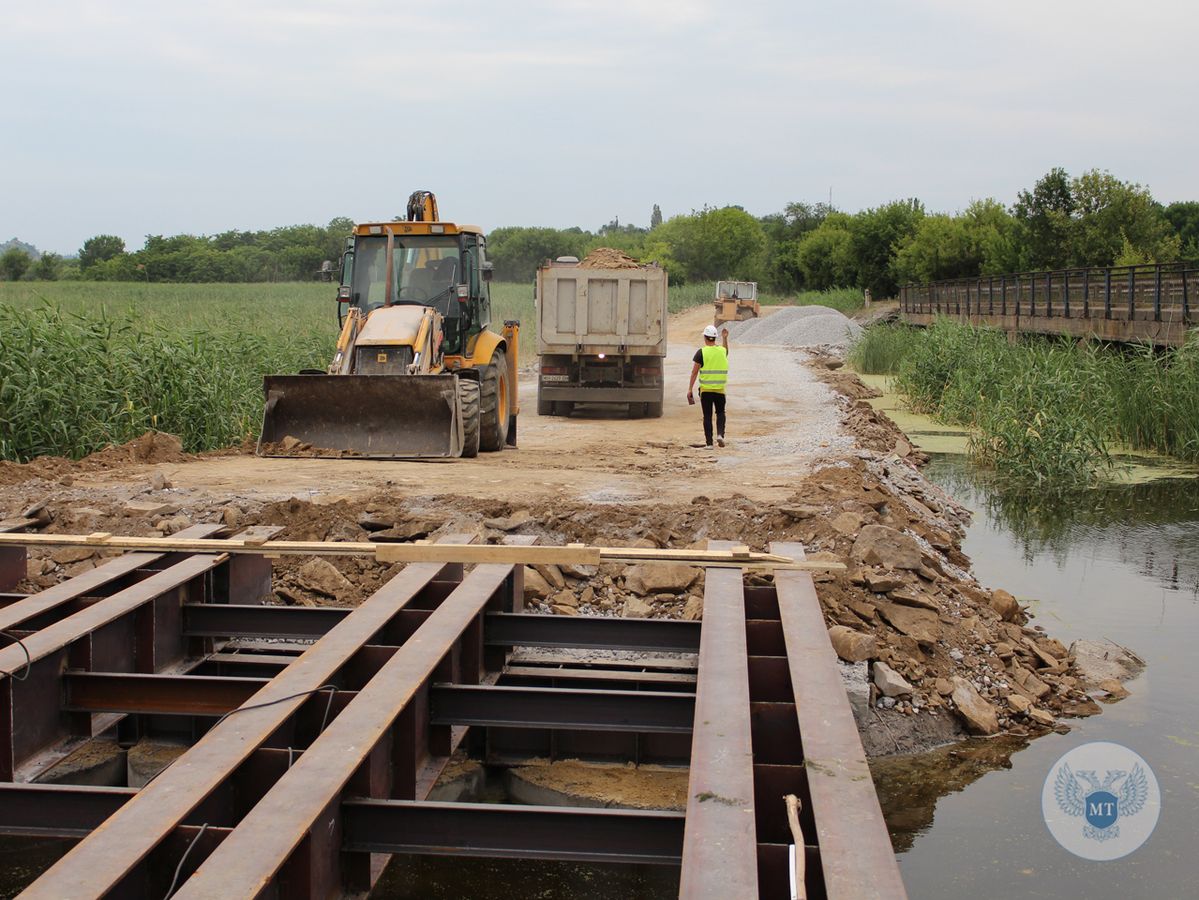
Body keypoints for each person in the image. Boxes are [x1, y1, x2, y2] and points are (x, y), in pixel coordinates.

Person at [687, 324, 729, 447]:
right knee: (720, 413)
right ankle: (720, 435)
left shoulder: (701, 352)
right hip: (720, 390)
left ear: (705, 338)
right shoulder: (722, 351)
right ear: (715, 338)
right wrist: (725, 338)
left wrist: (690, 389)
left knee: (707, 416)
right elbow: (726, 351)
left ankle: (709, 444)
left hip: (706, 391)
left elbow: (694, 372)